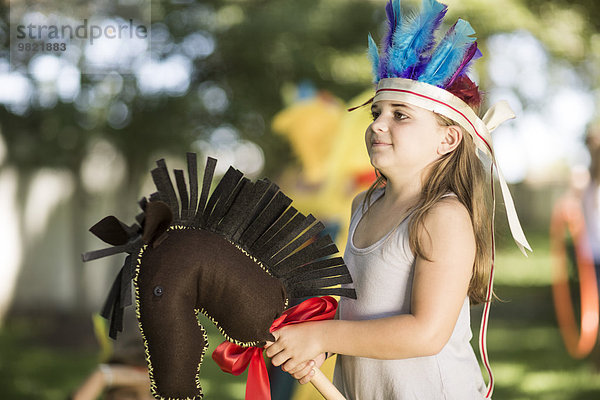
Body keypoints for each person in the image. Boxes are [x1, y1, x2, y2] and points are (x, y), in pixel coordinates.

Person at [264, 0, 531, 398]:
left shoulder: (443, 217)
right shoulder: (364, 205)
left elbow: (426, 334)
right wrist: (317, 341)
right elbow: (361, 308)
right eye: (376, 112)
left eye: (400, 115)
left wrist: (323, 335)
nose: (378, 125)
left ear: (448, 139)